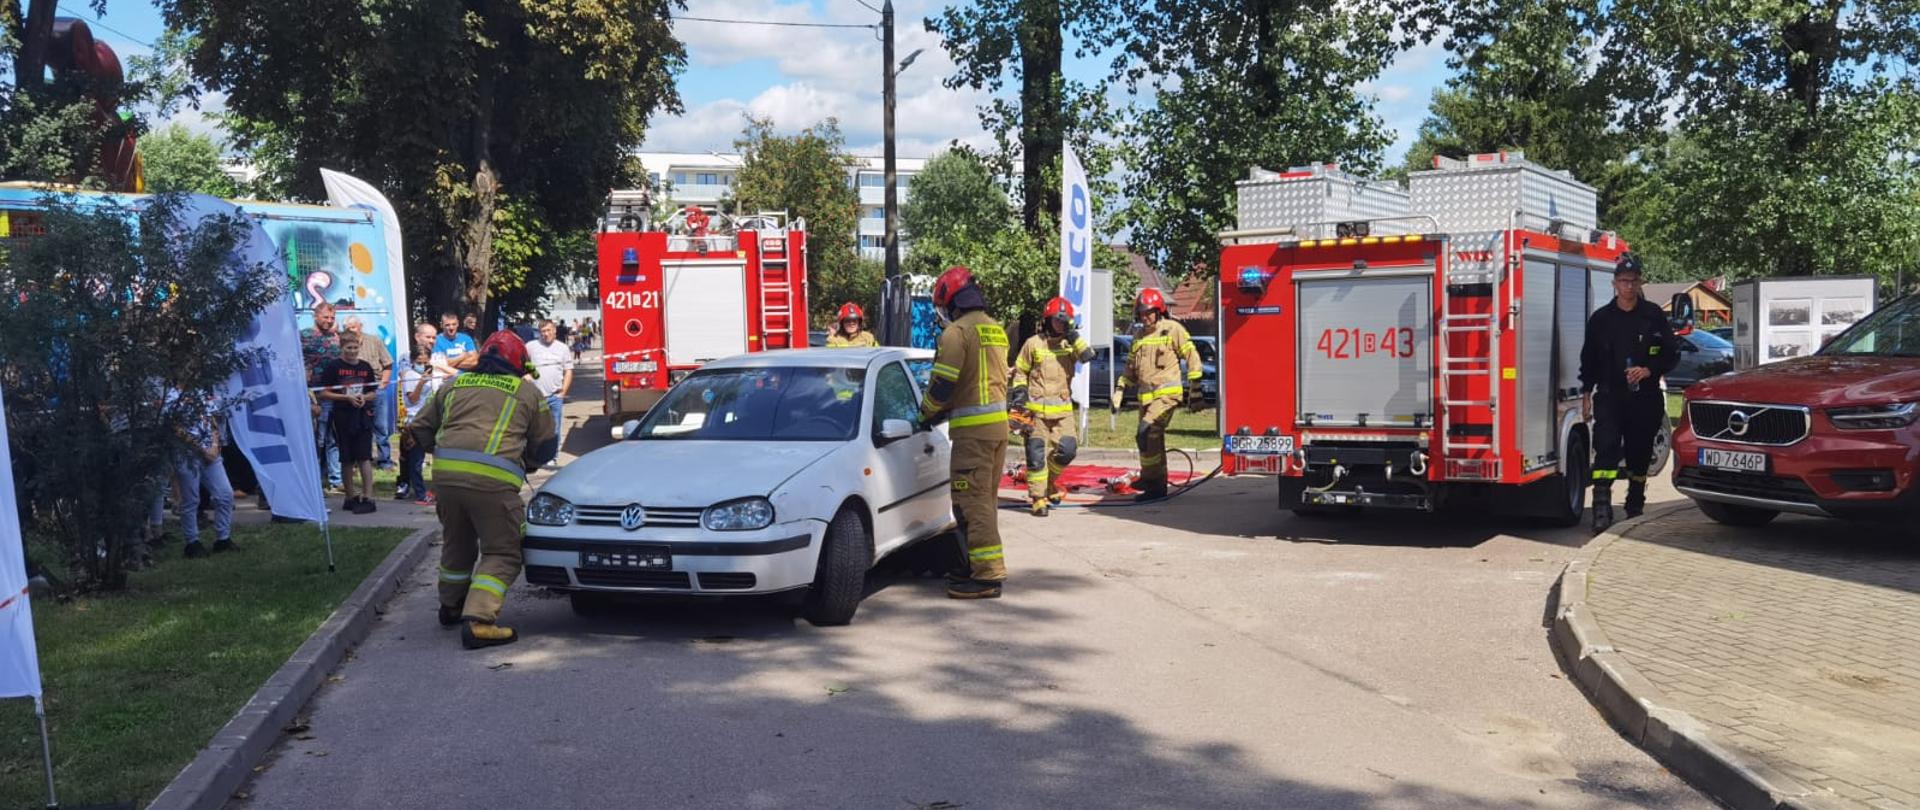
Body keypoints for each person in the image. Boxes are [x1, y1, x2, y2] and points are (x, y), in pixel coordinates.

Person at [410, 330, 557, 648]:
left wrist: (445, 454)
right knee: (502, 551)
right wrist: (528, 462)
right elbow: (546, 445)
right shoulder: (527, 393)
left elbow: (419, 427)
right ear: (519, 364)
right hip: (493, 485)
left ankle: (450, 606)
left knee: (457, 544)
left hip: (446, 482)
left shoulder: (453, 384)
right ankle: (479, 620)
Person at [919, 266, 1010, 599]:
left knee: (972, 504)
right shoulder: (995, 329)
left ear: (951, 300)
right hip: (997, 431)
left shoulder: (956, 333)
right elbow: (977, 382)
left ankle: (986, 577)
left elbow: (943, 385)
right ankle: (975, 565)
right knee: (985, 501)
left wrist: (925, 413)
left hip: (972, 436)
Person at [1580, 253, 1678, 532]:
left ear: (1640, 283)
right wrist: (1586, 393)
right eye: (1623, 281)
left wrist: (1649, 370)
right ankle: (1601, 508)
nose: (1628, 287)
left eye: (1633, 281)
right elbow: (1588, 359)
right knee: (1606, 449)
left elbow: (1671, 354)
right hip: (1610, 396)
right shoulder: (1601, 319)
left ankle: (1635, 505)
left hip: (1644, 398)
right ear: (1614, 284)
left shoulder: (1653, 316)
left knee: (1639, 454)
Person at [1111, 288, 1203, 501]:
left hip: (1167, 396)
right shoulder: (1138, 336)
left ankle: (1155, 485)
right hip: (1146, 399)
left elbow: (1191, 355)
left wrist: (1195, 388)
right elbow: (1130, 370)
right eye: (1141, 313)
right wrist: (1119, 390)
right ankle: (1152, 480)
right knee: (1147, 438)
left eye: (1149, 312)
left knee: (1147, 432)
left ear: (1159, 310)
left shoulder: (1172, 329)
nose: (1145, 317)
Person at [1010, 296, 1094, 516]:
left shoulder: (1070, 344)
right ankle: (1038, 498)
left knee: (1068, 450)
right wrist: (1019, 393)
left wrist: (1073, 334)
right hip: (1035, 411)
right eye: (1057, 321)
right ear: (1047, 320)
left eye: (1064, 321)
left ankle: (1049, 482)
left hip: (1062, 411)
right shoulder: (1033, 344)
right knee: (1035, 454)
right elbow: (1020, 372)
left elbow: (1087, 355)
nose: (1060, 325)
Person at [317, 331, 380, 514]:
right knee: (347, 458)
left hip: (362, 416)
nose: (352, 351)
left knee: (364, 456)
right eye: (348, 348)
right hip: (342, 417)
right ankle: (350, 495)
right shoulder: (334, 367)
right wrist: (346, 398)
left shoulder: (365, 367)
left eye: (355, 348)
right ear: (342, 348)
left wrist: (363, 397)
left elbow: (373, 392)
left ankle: (368, 496)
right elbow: (323, 392)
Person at [176, 411, 236, 558]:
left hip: (212, 455)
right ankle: (192, 542)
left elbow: (213, 422)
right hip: (186, 454)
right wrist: (202, 449)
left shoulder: (202, 394)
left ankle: (223, 539)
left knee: (225, 494)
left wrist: (215, 445)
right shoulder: (172, 397)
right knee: (190, 499)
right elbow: (176, 428)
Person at [300, 302, 345, 492]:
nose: (329, 321)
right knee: (316, 438)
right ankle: (314, 480)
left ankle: (336, 479)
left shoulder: (336, 337)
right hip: (313, 395)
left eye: (332, 318)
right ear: (316, 316)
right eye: (325, 317)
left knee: (333, 438)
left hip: (334, 394)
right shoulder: (304, 336)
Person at [343, 317, 396, 470]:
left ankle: (384, 460)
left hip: (376, 388)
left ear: (361, 326)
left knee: (381, 426)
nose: (352, 330)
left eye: (354, 327)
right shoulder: (342, 344)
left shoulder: (374, 340)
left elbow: (388, 363)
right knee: (356, 426)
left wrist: (383, 384)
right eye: (348, 328)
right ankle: (358, 459)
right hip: (353, 390)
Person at [526, 319, 575, 463]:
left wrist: (563, 391)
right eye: (543, 331)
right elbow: (523, 364)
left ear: (554, 331)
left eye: (548, 331)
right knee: (534, 428)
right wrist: (526, 374)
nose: (545, 334)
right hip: (535, 396)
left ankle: (552, 456)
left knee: (554, 428)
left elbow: (568, 371)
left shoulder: (562, 348)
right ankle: (533, 455)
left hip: (555, 396)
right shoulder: (530, 346)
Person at [396, 344, 437, 505]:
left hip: (428, 420)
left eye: (425, 362)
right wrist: (421, 382)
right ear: (413, 361)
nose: (423, 365)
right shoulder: (410, 375)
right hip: (414, 421)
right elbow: (412, 399)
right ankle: (420, 493)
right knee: (416, 461)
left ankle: (433, 490)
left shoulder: (430, 374)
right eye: (420, 362)